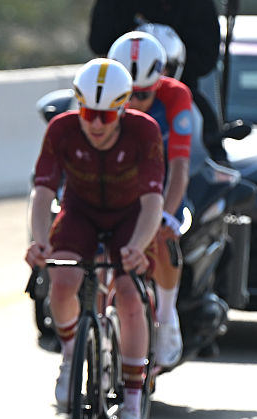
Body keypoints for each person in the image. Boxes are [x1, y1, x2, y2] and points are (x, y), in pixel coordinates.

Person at [26, 58, 166, 419]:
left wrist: (137, 248)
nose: (96, 124)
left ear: (123, 108)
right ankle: (72, 353)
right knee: (62, 279)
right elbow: (42, 191)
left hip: (131, 215)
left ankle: (133, 405)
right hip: (81, 211)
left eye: (106, 116)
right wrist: (39, 241)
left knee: (127, 293)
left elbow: (154, 200)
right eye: (88, 112)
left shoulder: (145, 130)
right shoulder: (62, 129)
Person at [108, 31, 192, 367]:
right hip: (118, 177)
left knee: (162, 234)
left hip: (163, 181)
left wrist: (165, 217)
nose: (137, 102)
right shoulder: (103, 87)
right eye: (130, 95)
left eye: (145, 94)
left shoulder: (176, 96)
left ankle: (168, 316)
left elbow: (181, 165)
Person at [87, 0, 225, 162]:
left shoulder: (197, 5)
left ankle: (218, 157)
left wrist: (163, 69)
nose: (138, 100)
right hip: (119, 86)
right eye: (137, 96)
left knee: (205, 122)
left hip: (181, 81)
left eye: (142, 95)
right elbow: (99, 42)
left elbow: (206, 57)